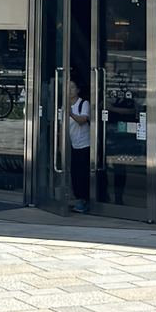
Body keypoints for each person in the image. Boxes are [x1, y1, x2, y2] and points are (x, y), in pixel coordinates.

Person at [69, 82, 91, 213]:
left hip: (85, 144)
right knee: (75, 174)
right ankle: (79, 198)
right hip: (73, 144)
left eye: (72, 87)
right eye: (67, 87)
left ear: (78, 90)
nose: (70, 90)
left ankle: (83, 200)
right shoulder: (64, 105)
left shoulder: (84, 104)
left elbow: (82, 120)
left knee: (83, 173)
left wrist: (71, 114)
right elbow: (62, 126)